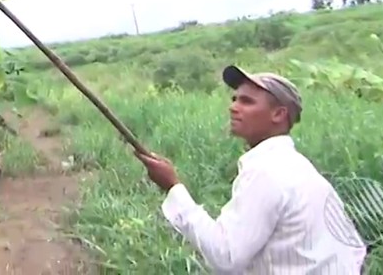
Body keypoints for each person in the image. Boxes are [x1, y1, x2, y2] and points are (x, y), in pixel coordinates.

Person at [136, 64, 367, 273]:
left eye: (247, 101)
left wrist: (173, 187)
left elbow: (226, 257)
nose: (233, 107)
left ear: (279, 114)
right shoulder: (295, 164)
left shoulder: (267, 172)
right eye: (235, 99)